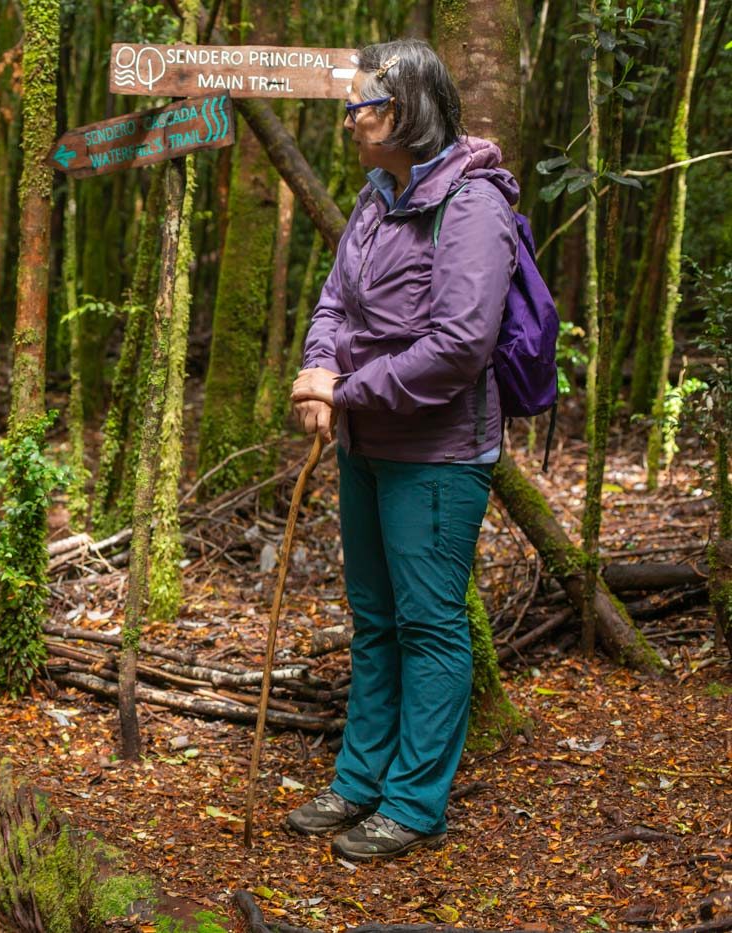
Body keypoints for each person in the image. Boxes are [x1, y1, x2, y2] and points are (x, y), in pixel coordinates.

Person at [287, 38, 519, 862]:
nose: (353, 120)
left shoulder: (475, 203)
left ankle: (414, 802)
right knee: (375, 619)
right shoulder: (376, 194)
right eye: (352, 105)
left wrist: (343, 392)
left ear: (411, 108)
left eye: (367, 106)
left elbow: (460, 344)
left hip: (438, 452)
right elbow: (333, 298)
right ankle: (358, 780)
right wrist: (318, 364)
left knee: (428, 624)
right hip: (365, 441)